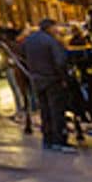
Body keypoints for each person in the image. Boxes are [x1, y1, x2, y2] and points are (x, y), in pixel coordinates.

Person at [23, 18, 76, 153]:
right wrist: (64, 78)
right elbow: (60, 61)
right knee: (56, 110)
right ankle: (59, 141)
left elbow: (24, 57)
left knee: (45, 110)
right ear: (50, 28)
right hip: (52, 79)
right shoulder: (51, 41)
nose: (56, 30)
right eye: (55, 27)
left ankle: (47, 139)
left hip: (37, 79)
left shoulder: (29, 41)